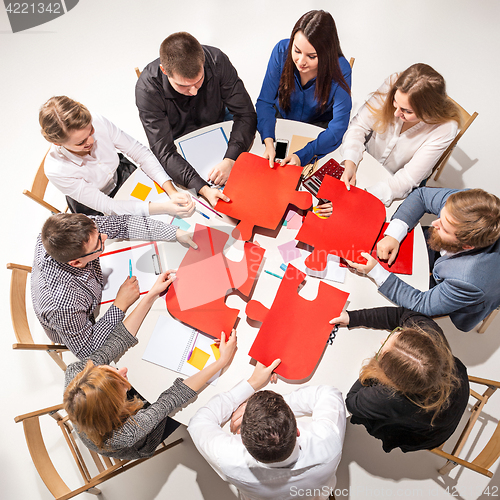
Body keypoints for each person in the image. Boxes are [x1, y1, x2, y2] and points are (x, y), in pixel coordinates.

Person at [64, 272, 238, 460]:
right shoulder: (126, 433)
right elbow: (172, 398)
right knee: (191, 408)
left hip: (107, 414)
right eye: (120, 381)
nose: (123, 370)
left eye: (111, 369)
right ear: (118, 405)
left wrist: (151, 295)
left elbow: (118, 340)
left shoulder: (78, 373)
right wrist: (221, 361)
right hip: (144, 439)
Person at [31, 212, 197, 359]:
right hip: (81, 322)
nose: (105, 237)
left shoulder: (78, 231)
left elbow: (122, 224)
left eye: (99, 232)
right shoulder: (62, 304)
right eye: (99, 245)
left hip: (92, 290)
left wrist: (175, 232)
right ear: (76, 262)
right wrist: (120, 304)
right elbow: (87, 349)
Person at [346, 187, 500, 332]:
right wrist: (394, 233)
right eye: (441, 216)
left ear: (466, 246)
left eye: (444, 228)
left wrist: (376, 272)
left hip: (475, 286)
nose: (434, 223)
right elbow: (421, 196)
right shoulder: (466, 206)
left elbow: (422, 303)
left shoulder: (469, 281)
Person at [188, 360, 346, 500]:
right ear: (297, 430)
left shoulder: (229, 460)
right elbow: (329, 394)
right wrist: (280, 408)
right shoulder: (329, 441)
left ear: (243, 440)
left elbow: (198, 423)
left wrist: (250, 386)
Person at [135, 31, 257, 206]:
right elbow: (164, 151)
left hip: (218, 121)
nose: (193, 91)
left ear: (203, 62)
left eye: (199, 81)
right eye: (183, 85)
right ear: (164, 71)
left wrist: (231, 159)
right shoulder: (147, 89)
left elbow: (245, 114)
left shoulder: (217, 60)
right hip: (177, 138)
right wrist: (204, 189)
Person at [330, 306, 469, 453]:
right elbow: (403, 314)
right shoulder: (429, 334)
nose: (383, 339)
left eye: (382, 349)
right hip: (457, 392)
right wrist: (353, 317)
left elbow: (352, 401)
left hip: (429, 432)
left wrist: (373, 369)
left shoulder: (389, 398)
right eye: (397, 333)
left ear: (390, 380)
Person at [40, 96, 194, 217]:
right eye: (81, 143)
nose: (92, 141)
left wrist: (172, 192)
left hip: (121, 174)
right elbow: (108, 206)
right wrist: (164, 208)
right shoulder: (57, 170)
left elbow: (140, 153)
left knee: (155, 197)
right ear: (57, 143)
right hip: (95, 205)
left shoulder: (96, 120)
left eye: (91, 130)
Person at [339, 63, 461, 206]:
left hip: (394, 182)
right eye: (395, 102)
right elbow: (359, 125)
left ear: (429, 112)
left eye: (407, 111)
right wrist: (350, 164)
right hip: (364, 160)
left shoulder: (445, 128)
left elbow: (407, 179)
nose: (396, 113)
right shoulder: (394, 83)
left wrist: (365, 194)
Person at [256, 10, 352, 172]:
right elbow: (265, 102)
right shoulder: (281, 51)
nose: (301, 62)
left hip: (319, 132)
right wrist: (268, 140)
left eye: (312, 56)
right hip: (281, 123)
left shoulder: (341, 69)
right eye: (297, 51)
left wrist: (303, 155)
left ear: (327, 54)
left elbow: (338, 128)